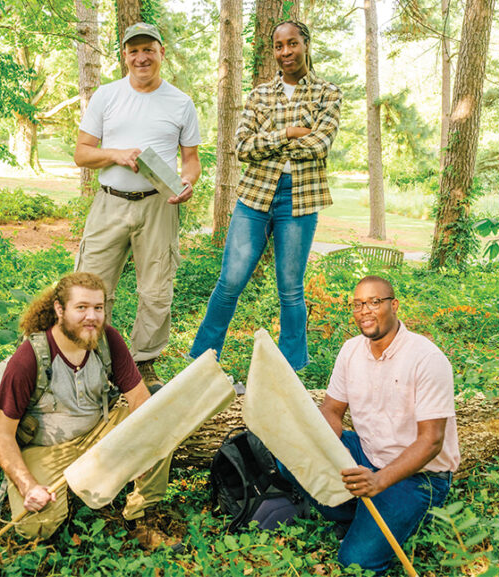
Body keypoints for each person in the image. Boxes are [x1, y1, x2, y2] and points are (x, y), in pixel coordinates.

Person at [280, 275, 461, 574]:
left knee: (355, 563)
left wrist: (380, 481)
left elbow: (431, 441)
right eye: (358, 304)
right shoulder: (351, 350)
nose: (365, 310)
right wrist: (321, 446)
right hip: (367, 456)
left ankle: (401, 514)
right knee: (290, 455)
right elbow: (332, 411)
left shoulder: (427, 359)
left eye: (374, 302)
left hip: (417, 476)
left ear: (394, 305)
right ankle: (359, 511)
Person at [188, 21, 340, 371]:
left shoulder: (327, 93)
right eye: (278, 46)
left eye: (292, 44)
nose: (285, 52)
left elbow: (320, 144)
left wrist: (269, 142)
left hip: (300, 200)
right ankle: (202, 360)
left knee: (290, 288)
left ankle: (290, 370)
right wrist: (289, 132)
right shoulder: (259, 95)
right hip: (254, 198)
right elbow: (242, 147)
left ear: (306, 44)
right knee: (230, 281)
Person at [0, 272, 175, 548]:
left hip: (98, 433)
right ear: (59, 310)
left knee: (159, 426)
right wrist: (27, 485)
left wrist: (144, 449)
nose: (92, 317)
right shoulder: (29, 358)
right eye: (81, 308)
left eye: (98, 308)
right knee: (33, 527)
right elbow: (1, 434)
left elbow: (140, 402)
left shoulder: (107, 340)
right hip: (47, 449)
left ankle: (139, 517)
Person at [73, 22, 202, 390]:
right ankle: (89, 359)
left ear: (162, 52)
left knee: (156, 290)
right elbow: (82, 153)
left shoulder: (181, 102)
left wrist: (189, 180)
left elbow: (191, 158)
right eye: (133, 50)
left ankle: (143, 364)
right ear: (124, 55)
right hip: (109, 203)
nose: (141, 57)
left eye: (148, 49)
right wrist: (115, 154)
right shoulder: (106, 96)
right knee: (91, 286)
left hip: (159, 206)